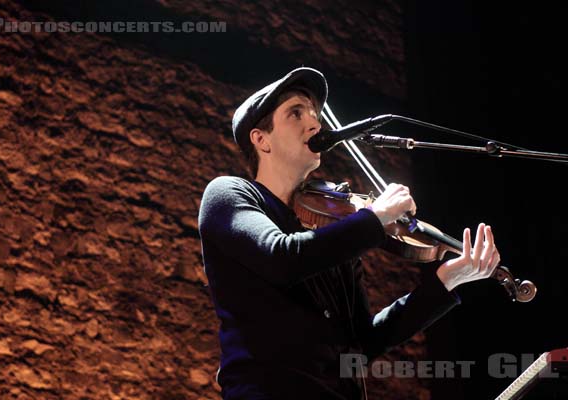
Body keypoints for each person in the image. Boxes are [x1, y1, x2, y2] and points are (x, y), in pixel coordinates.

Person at [198, 67, 500, 399]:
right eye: (296, 113)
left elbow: (364, 343)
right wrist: (375, 216)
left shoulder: (331, 232)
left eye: (314, 114)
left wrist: (444, 283)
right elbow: (282, 258)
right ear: (261, 139)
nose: (314, 123)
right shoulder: (230, 195)